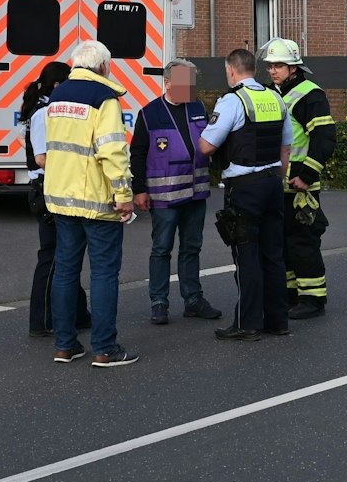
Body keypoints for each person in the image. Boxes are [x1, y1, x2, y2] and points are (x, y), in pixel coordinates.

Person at [41, 39, 139, 368]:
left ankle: (65, 345)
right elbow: (112, 150)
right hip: (97, 201)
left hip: (61, 199)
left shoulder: (57, 95)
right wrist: (124, 195)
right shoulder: (104, 98)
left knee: (66, 273)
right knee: (104, 274)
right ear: (102, 67)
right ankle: (104, 348)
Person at [199, 47, 293, 341]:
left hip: (245, 187)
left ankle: (248, 322)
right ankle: (278, 321)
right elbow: (286, 146)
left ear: (231, 70)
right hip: (272, 184)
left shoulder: (232, 100)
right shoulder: (275, 97)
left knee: (246, 254)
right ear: (255, 69)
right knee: (274, 254)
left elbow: (206, 147)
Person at [130, 59, 221, 325]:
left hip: (196, 193)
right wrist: (139, 190)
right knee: (161, 249)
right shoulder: (149, 113)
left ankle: (193, 299)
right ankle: (159, 302)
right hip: (165, 196)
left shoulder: (198, 108)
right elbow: (138, 153)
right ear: (168, 83)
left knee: (192, 247)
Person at [262, 38, 337, 320]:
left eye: (279, 65)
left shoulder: (310, 95)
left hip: (301, 186)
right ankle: (290, 294)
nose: (273, 71)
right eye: (270, 66)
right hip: (277, 185)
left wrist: (307, 174)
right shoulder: (271, 93)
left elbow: (325, 139)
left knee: (302, 242)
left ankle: (313, 298)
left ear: (294, 67)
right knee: (281, 241)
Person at [23, 61, 89, 339]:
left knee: (66, 254)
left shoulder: (46, 109)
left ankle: (79, 314)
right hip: (48, 187)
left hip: (52, 186)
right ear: (59, 86)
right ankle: (43, 320)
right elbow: (42, 158)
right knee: (52, 257)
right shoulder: (43, 114)